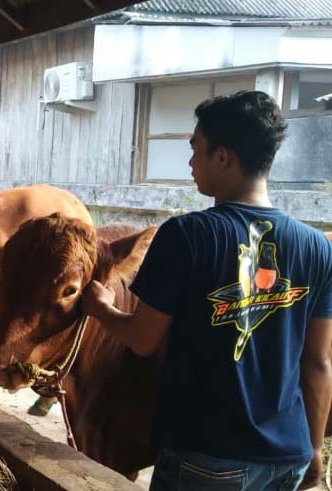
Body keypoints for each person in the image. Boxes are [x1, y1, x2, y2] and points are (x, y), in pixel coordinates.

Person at [81, 91, 332, 490]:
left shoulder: (186, 235)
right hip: (289, 456)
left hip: (209, 459)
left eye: (196, 148)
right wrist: (316, 450)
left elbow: (143, 340)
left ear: (223, 156)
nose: (190, 162)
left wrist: (101, 308)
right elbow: (317, 364)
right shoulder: (317, 246)